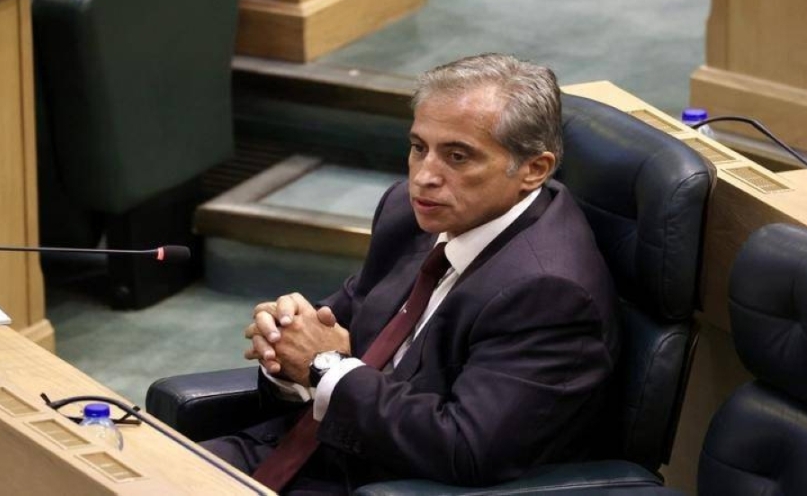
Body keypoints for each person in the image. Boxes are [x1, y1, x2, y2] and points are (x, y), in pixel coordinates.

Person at [202, 53, 619, 494]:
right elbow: (341, 321)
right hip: (300, 451)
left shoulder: (548, 292)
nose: (424, 177)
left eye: (457, 156)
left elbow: (464, 448)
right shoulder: (412, 212)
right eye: (419, 148)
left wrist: (323, 365)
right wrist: (286, 342)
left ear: (534, 170)